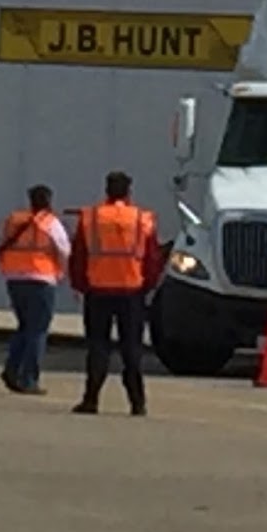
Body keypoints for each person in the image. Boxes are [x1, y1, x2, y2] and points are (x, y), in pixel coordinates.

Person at [68, 170, 162, 416]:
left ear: (107, 190)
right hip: (132, 291)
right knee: (132, 349)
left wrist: (81, 284)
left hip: (98, 291)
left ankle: (91, 399)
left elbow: (78, 255)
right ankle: (137, 403)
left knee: (98, 346)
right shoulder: (142, 218)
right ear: (129, 191)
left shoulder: (91, 217)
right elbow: (153, 258)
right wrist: (146, 286)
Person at [0, 184, 70, 396]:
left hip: (15, 279)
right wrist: (62, 273)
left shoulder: (13, 220)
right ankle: (28, 379)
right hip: (41, 279)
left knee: (24, 326)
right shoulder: (50, 223)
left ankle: (12, 369)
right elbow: (64, 250)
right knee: (38, 331)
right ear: (48, 201)